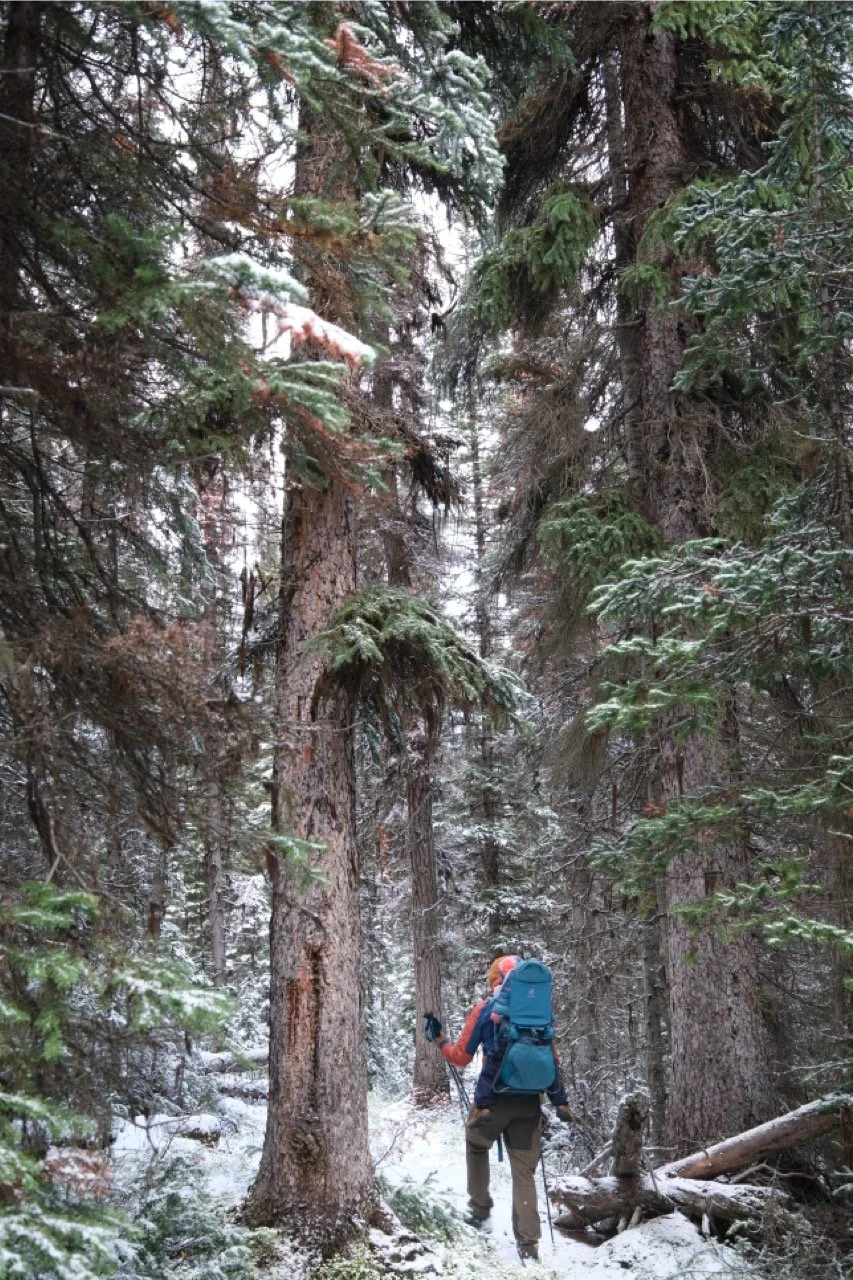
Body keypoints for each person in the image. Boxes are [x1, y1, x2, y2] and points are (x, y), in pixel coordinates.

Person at [426, 955, 573, 1263]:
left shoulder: (486, 1009)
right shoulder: (539, 1015)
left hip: (491, 1102)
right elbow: (553, 1061)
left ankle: (480, 1210)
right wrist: (560, 1100)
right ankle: (529, 1246)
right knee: (524, 1173)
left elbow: (461, 1057)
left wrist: (440, 1040)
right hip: (530, 1105)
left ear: (494, 979)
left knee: (476, 1145)